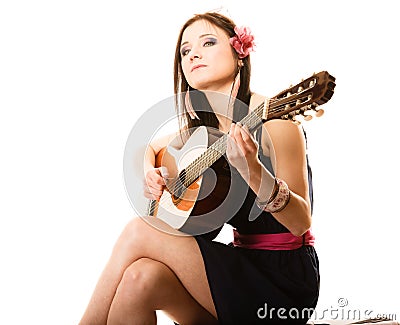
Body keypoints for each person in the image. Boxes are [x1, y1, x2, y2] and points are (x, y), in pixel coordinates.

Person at [79, 11, 319, 325]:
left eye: (208, 42)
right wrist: (150, 172)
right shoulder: (202, 133)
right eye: (185, 50)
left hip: (282, 283)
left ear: (239, 54)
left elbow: (301, 223)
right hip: (239, 264)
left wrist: (253, 171)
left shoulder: (276, 125)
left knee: (140, 230)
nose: (193, 54)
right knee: (139, 279)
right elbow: (147, 147)